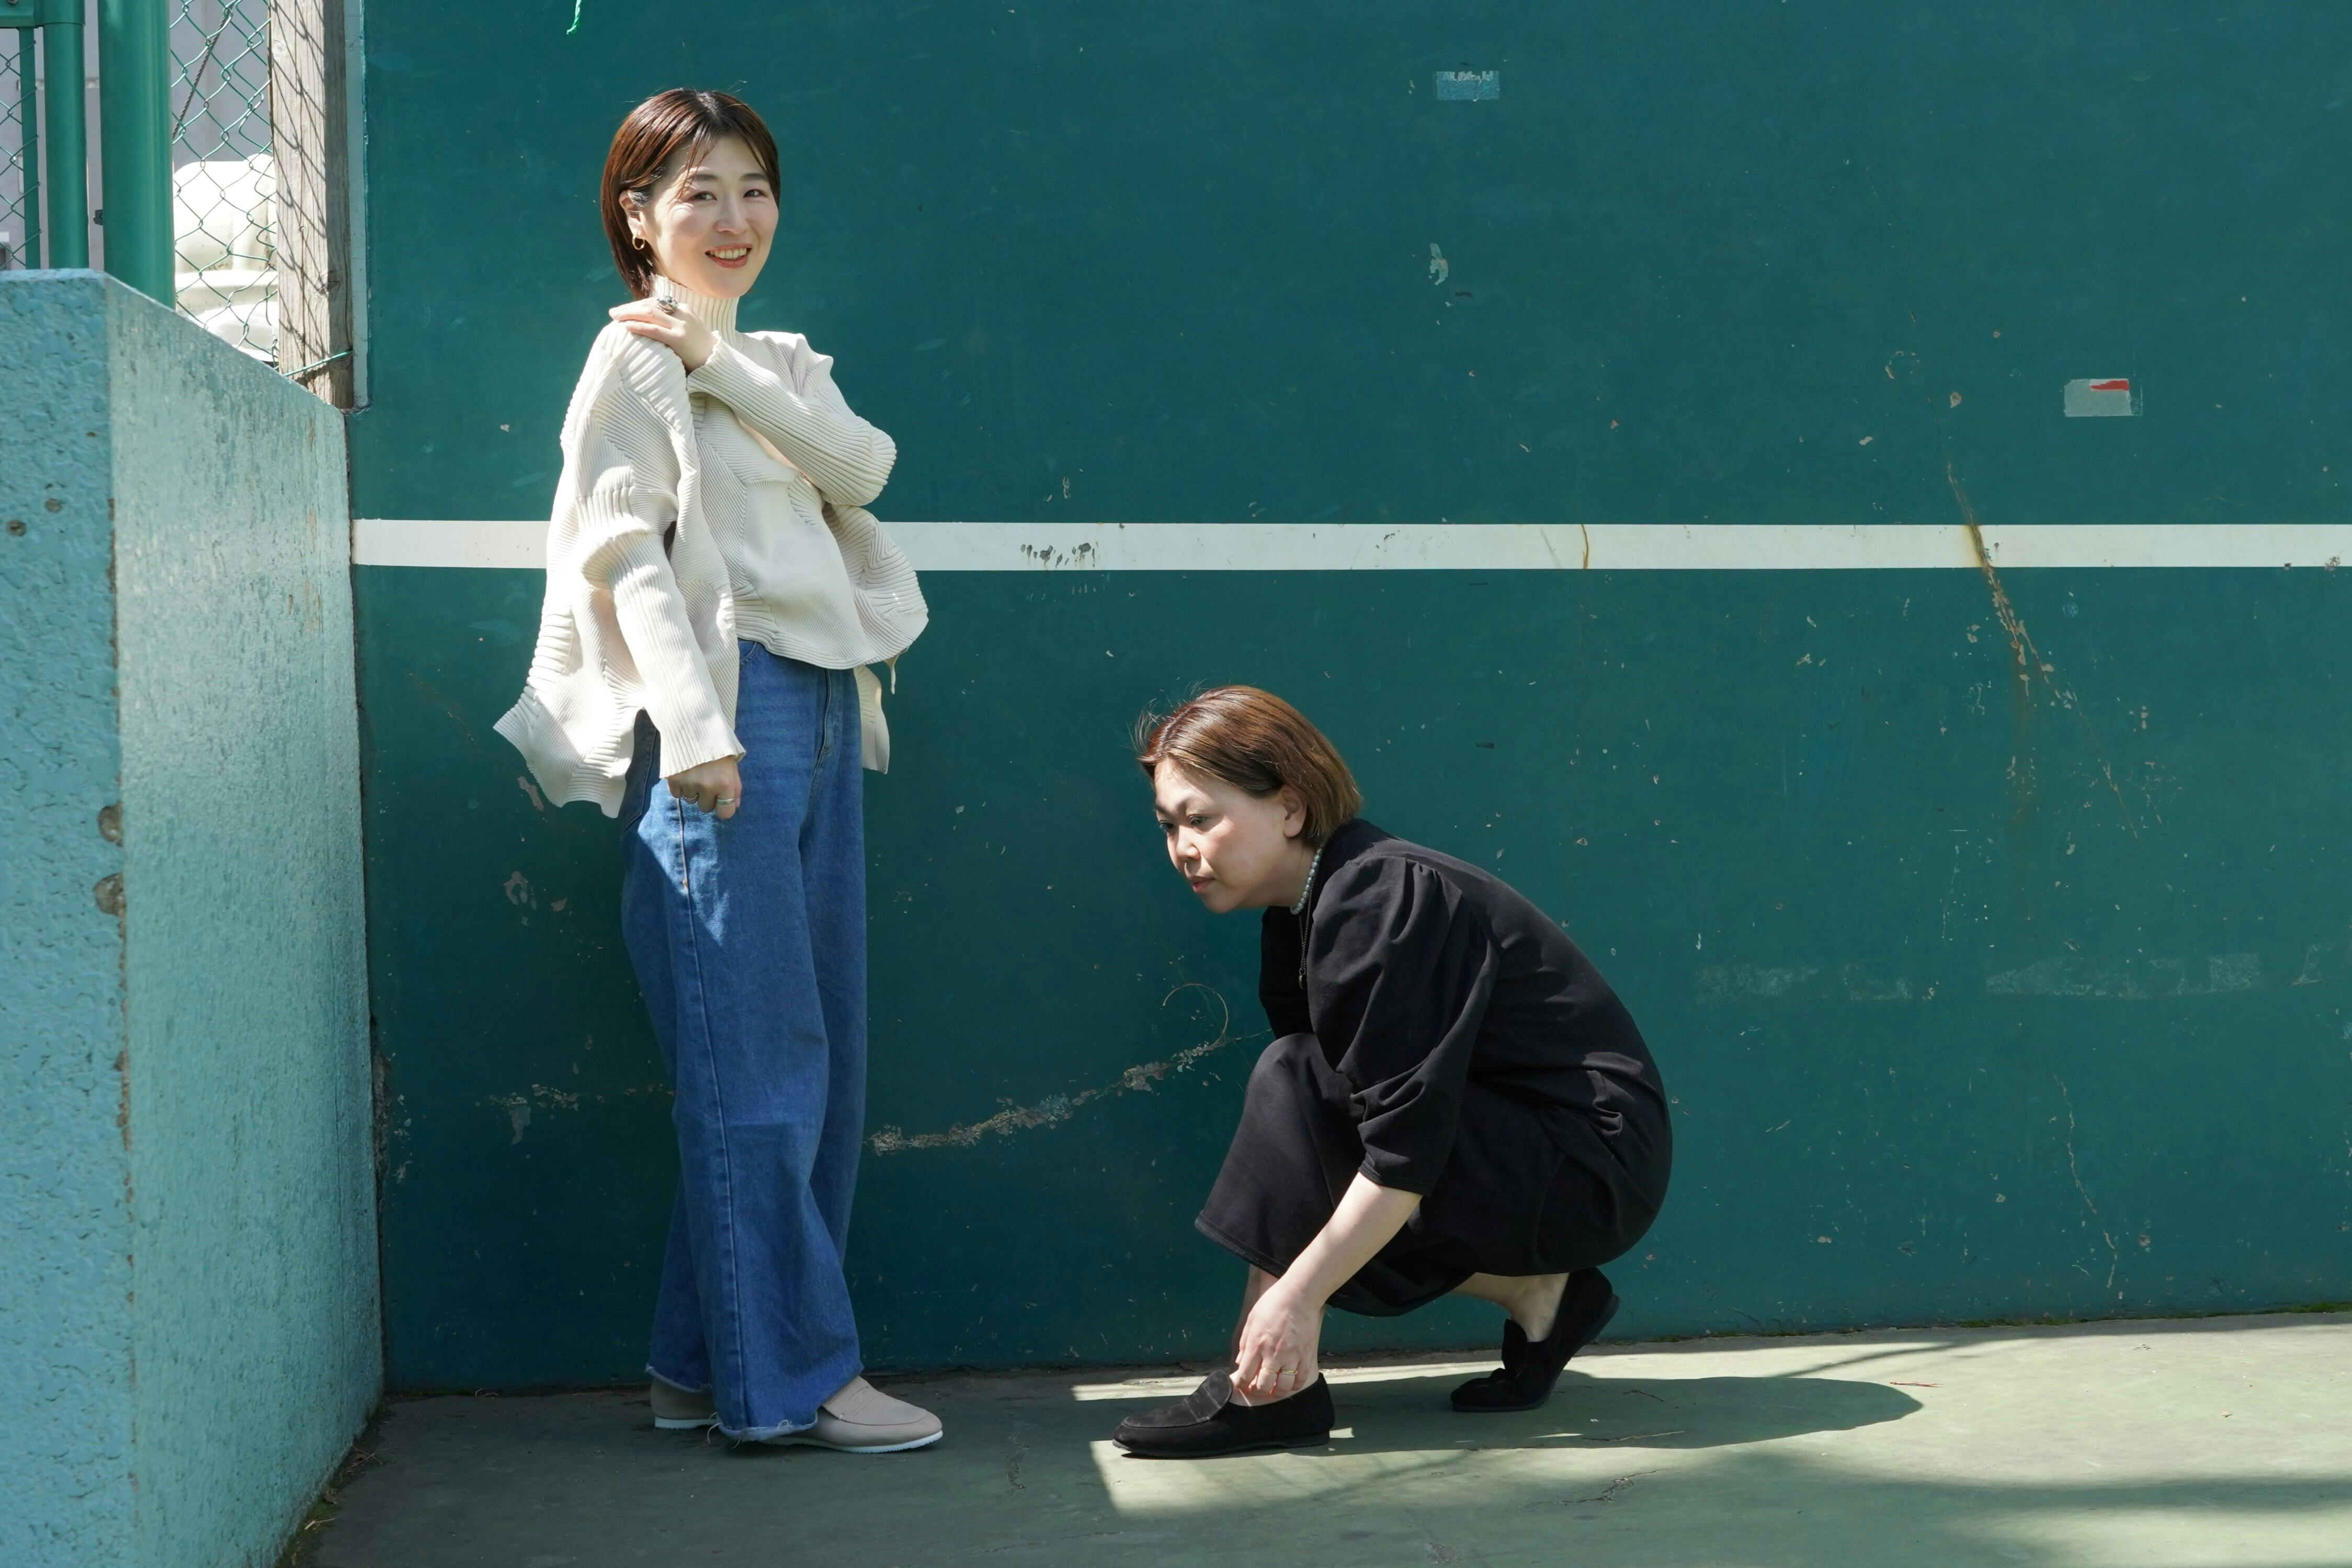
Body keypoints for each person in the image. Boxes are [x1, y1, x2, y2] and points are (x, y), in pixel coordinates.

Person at [496, 89, 940, 1452]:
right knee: (757, 1065)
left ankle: (697, 1365)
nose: (733, 216)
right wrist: (693, 727)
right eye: (698, 192)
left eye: (753, 187)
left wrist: (724, 360)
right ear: (637, 217)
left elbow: (863, 469)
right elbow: (621, 553)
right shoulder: (628, 358)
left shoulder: (782, 363)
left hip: (822, 705)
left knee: (818, 1059)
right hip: (724, 721)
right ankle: (795, 1380)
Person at [1112, 687, 1673, 1458]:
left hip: (1588, 1162)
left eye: (1201, 818)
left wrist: (1296, 1299)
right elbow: (1333, 1138)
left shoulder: (1379, 896)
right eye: (1168, 826)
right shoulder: (1304, 912)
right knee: (1303, 1109)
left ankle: (1267, 1387)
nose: (1182, 847)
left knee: (1290, 1078)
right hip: (1518, 1148)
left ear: (1291, 808)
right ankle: (1541, 1295)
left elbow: (1402, 1142)